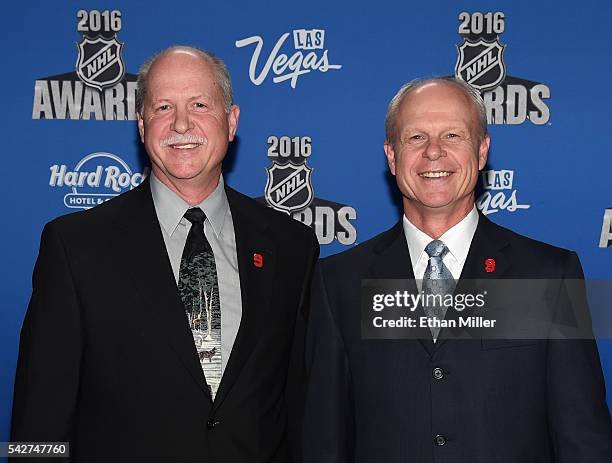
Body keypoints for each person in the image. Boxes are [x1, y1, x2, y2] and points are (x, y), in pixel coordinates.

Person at [11, 46, 319, 463]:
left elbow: (302, 408)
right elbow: (37, 424)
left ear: (231, 122)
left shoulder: (292, 247)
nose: (181, 123)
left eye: (199, 104)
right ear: (141, 125)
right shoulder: (75, 247)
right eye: (162, 107)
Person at [303, 77, 612, 462]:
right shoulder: (339, 283)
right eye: (416, 137)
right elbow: (323, 441)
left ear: (482, 151)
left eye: (453, 135)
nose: (434, 152)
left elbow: (584, 438)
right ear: (391, 155)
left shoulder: (547, 274)